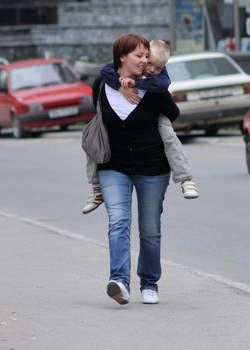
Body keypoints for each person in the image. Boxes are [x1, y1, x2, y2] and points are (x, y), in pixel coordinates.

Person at [88, 33, 180, 305]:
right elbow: (98, 119)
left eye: (146, 56)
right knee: (118, 221)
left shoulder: (154, 87)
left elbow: (174, 114)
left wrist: (151, 89)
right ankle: (119, 281)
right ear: (122, 58)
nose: (144, 61)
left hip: (152, 167)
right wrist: (121, 85)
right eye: (139, 56)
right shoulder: (102, 83)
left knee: (150, 229)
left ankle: (149, 282)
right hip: (112, 166)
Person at [82, 39, 199, 215]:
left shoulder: (158, 79)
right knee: (94, 140)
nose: (151, 69)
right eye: (147, 61)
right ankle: (96, 188)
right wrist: (121, 87)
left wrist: (136, 84)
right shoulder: (108, 76)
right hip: (114, 164)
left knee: (170, 138)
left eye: (158, 67)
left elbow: (169, 102)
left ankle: (186, 179)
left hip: (156, 132)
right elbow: (105, 71)